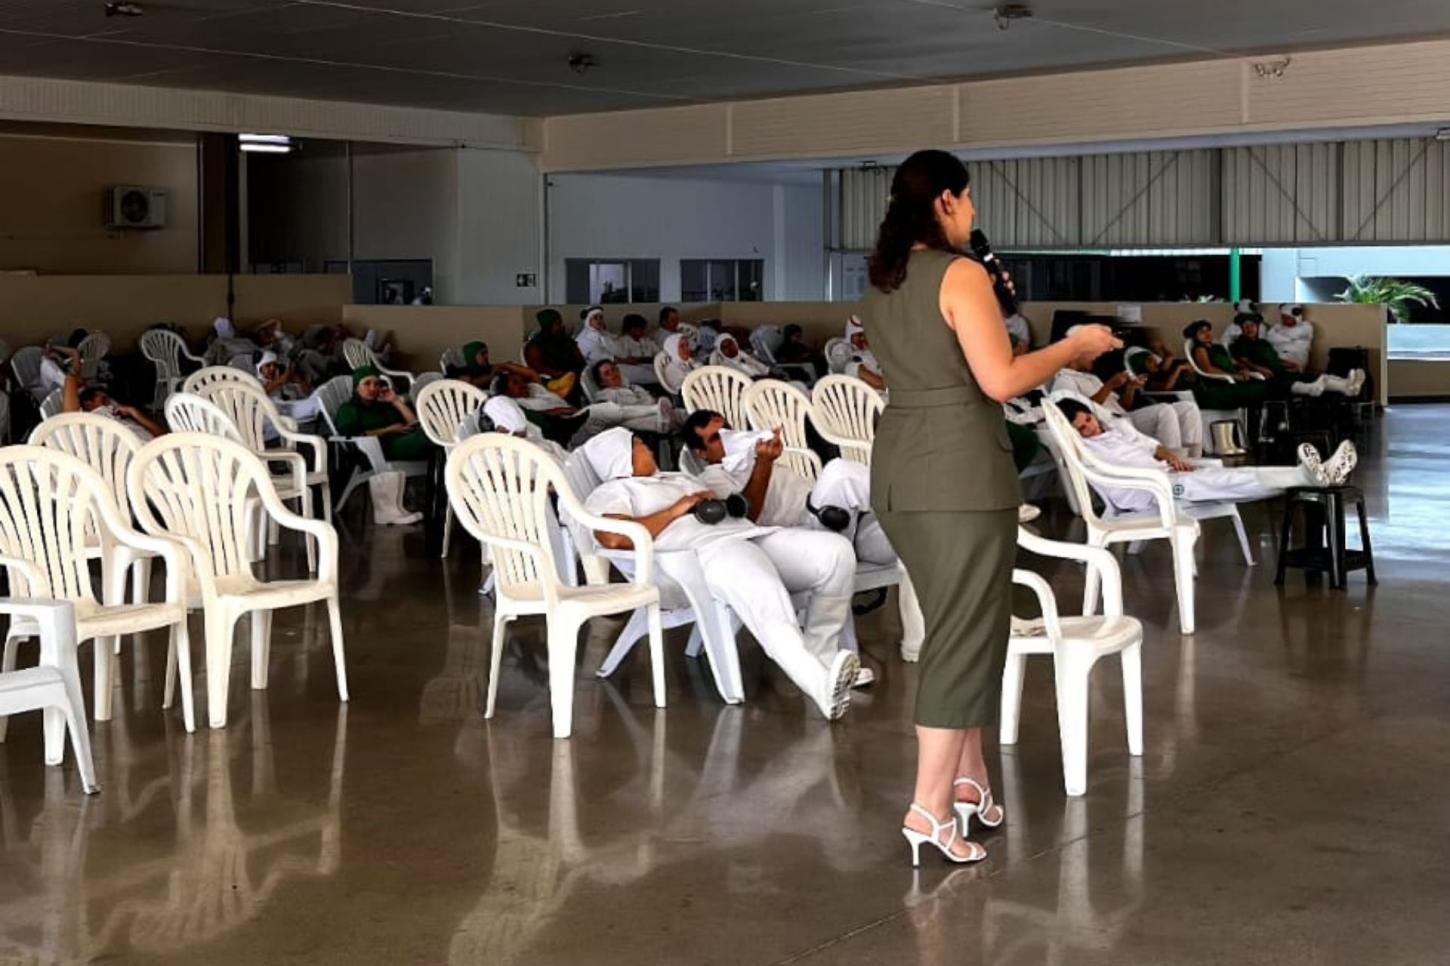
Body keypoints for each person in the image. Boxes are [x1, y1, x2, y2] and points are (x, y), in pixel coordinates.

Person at [861, 149, 1119, 866]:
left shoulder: (885, 278)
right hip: (960, 477)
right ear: (946, 201)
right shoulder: (960, 273)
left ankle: (968, 780)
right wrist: (1072, 347)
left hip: (903, 470)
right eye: (969, 201)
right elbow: (1000, 379)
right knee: (961, 637)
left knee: (968, 626)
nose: (975, 214)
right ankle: (929, 808)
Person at [580, 428, 861, 720]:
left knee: (836, 553)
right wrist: (676, 510)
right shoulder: (613, 492)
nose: (647, 447)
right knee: (766, 595)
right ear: (619, 458)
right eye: (637, 444)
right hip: (706, 553)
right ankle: (819, 685)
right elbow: (612, 538)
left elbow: (747, 515)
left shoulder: (680, 478)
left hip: (748, 535)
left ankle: (822, 655)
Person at [1055, 397, 1357, 512]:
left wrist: (1169, 457)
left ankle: (1311, 475)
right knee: (1229, 481)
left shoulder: (1116, 428)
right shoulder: (1084, 449)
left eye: (1088, 421)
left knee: (1234, 476)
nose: (1089, 430)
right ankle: (1307, 475)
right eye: (1081, 429)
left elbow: (1150, 446)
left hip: (1168, 477)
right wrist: (1160, 475)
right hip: (1150, 491)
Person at [1051, 344, 1203, 456]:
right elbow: (1078, 412)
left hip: (1125, 417)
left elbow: (1123, 406)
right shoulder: (1065, 380)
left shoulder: (1091, 377)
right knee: (1164, 410)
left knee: (1188, 408)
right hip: (1110, 424)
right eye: (1090, 354)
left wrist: (1130, 388)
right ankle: (1171, 459)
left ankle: (1194, 457)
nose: (1095, 357)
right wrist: (1109, 385)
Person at [333, 366, 430, 525]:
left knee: (432, 434)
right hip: (379, 449)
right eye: (367, 383)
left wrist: (395, 401)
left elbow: (414, 423)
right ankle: (389, 512)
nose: (373, 388)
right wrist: (388, 430)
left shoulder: (384, 407)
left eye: (377, 384)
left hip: (402, 441)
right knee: (431, 437)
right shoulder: (348, 409)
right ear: (357, 387)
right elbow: (354, 434)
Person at [1232, 316, 1364, 397]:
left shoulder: (1263, 342)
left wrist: (1289, 364)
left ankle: (1347, 385)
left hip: (1280, 371)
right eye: (1245, 326)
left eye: (1252, 325)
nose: (1249, 329)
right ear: (1242, 329)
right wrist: (1260, 369)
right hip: (1266, 377)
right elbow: (1242, 361)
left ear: (1257, 327)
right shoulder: (1241, 343)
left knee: (1314, 376)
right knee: (1287, 382)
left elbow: (1274, 359)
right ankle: (1316, 388)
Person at [1184, 320, 1270, 409]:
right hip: (1219, 385)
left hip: (1235, 381)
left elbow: (1234, 362)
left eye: (1208, 330)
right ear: (1195, 336)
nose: (1207, 334)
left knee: (1265, 385)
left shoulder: (1218, 348)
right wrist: (1234, 376)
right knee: (1261, 390)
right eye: (1202, 332)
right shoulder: (1200, 349)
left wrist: (1244, 369)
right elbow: (1208, 369)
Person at [61, 369, 166, 440]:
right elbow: (70, 379)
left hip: (158, 450)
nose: (110, 403)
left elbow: (163, 435)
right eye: (104, 400)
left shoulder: (121, 415)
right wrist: (81, 381)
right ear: (89, 405)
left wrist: (135, 413)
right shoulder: (87, 420)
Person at [592, 360, 678, 431]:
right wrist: (654, 409)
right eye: (607, 373)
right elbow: (614, 413)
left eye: (614, 369)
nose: (613, 374)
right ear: (602, 382)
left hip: (663, 412)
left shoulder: (633, 387)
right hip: (643, 422)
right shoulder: (605, 395)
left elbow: (651, 399)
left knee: (682, 414)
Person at [524, 309, 585, 399]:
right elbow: (538, 369)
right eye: (557, 324)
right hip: (555, 380)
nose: (561, 326)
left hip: (575, 374)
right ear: (548, 326)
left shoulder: (565, 340)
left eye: (560, 323)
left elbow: (580, 360)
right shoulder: (534, 346)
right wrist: (562, 374)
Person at [256, 350, 321, 423]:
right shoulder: (256, 383)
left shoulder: (284, 377)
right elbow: (260, 392)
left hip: (296, 407)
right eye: (268, 366)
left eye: (274, 365)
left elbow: (308, 394)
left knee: (321, 393)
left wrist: (299, 381)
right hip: (282, 414)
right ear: (260, 369)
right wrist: (280, 380)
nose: (272, 368)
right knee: (318, 404)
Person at [844, 316, 887, 391]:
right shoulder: (851, 363)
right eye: (859, 335)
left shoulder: (869, 352)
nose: (863, 338)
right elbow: (879, 383)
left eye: (864, 335)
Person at [1268, 304, 1314, 371]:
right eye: (1282, 317)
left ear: (1296, 317)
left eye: (1287, 318)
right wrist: (1289, 339)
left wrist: (1278, 337)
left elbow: (1294, 335)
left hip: (1295, 358)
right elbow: (1269, 337)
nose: (1283, 320)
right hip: (1276, 356)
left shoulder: (1306, 327)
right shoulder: (1278, 326)